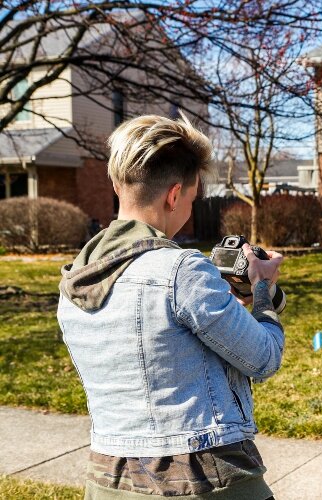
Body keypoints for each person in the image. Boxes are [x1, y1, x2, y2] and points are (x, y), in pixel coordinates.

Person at [57, 114, 284, 499]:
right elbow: (264, 358)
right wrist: (262, 288)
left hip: (109, 477)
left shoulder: (73, 281)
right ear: (174, 195)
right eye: (193, 200)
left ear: (116, 185)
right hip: (204, 478)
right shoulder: (181, 271)